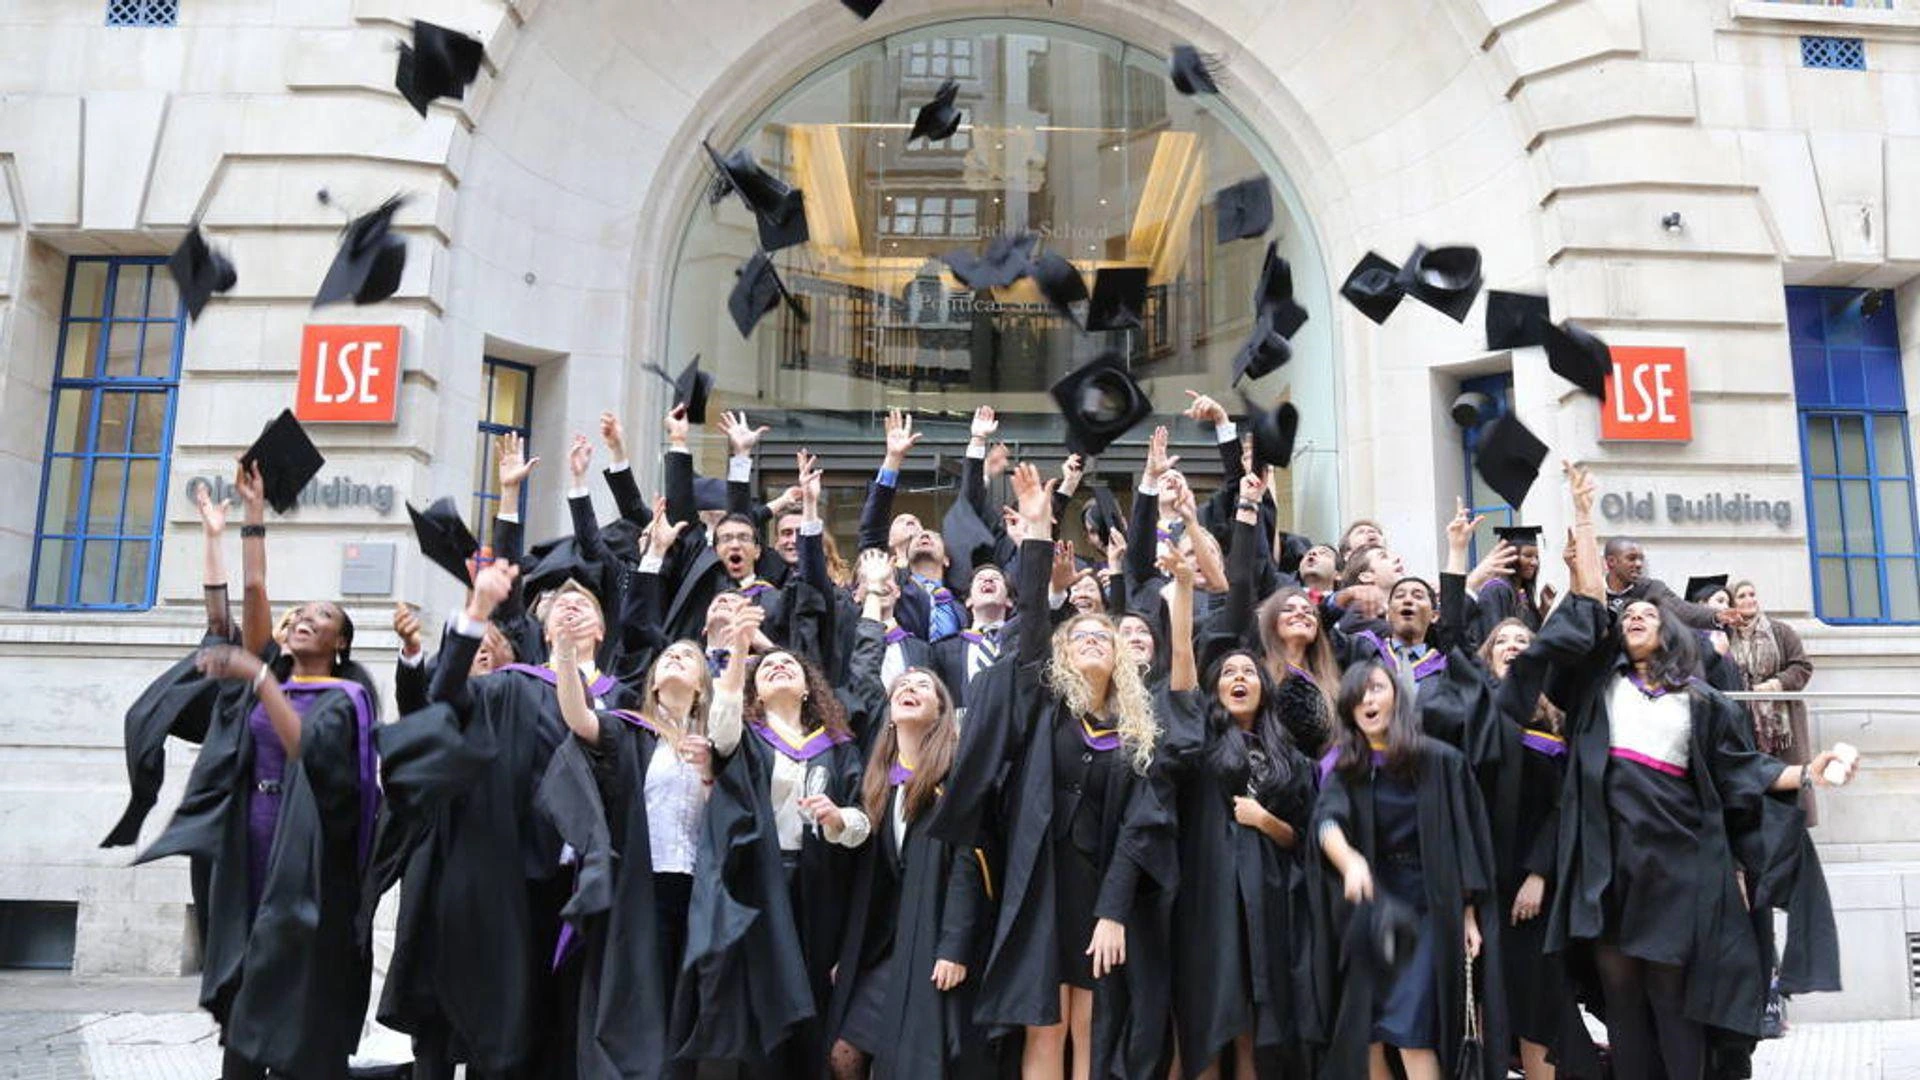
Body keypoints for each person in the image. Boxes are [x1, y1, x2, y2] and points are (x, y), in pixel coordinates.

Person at [1544, 583, 1855, 1078]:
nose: (1636, 618)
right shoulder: (1598, 691)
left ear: (1672, 633)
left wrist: (1808, 772)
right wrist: (1582, 519)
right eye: (1629, 617)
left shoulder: (1702, 701)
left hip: (1675, 870)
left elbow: (1742, 771)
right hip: (1606, 870)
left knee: (1671, 999)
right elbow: (1583, 607)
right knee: (1622, 1000)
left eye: (1648, 614)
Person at [135, 461, 382, 1080]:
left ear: (340, 644)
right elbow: (247, 601)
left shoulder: (343, 700)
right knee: (243, 976)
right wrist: (244, 519)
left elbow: (306, 752)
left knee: (296, 977)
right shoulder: (263, 670)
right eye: (299, 614)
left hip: (307, 853)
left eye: (320, 618)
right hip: (248, 837)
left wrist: (264, 678)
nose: (303, 619)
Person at [935, 463, 1175, 1080]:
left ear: (1122, 656)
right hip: (1038, 882)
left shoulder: (1137, 732)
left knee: (1092, 1025)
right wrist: (1037, 533)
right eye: (1082, 636)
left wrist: (1115, 909)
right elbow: (1037, 631)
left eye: (1104, 635)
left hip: (1098, 891)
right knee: (1045, 1023)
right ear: (1065, 654)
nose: (1092, 639)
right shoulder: (1046, 708)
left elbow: (1139, 827)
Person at [539, 610, 746, 1077]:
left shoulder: (712, 742)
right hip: (640, 884)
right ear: (652, 684)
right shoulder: (629, 730)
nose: (674, 660)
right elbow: (578, 717)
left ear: (700, 684)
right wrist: (567, 656)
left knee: (682, 1003)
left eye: (686, 658)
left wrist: (711, 772)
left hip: (695, 891)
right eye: (668, 656)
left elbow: (732, 813)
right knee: (636, 1002)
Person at [1163, 536, 1318, 1079]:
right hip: (1208, 895)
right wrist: (1184, 590)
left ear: (1264, 689)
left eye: (1248, 672)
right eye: (1227, 673)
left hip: (1269, 898)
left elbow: (1302, 835)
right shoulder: (1201, 741)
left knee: (1258, 1026)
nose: (1237, 678)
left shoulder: (1290, 757)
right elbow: (1182, 667)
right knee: (1207, 1023)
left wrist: (1265, 820)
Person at [1310, 658, 1506, 1080]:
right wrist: (1349, 861)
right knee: (1370, 1035)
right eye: (1359, 694)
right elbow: (1326, 822)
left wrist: (1468, 911)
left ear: (1397, 696)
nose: (1368, 699)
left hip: (1431, 906)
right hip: (1376, 909)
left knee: (1412, 1032)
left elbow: (1466, 838)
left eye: (1378, 688)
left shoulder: (1440, 761)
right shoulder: (1346, 766)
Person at [824, 665, 992, 1078]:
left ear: (940, 711)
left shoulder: (954, 780)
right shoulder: (880, 784)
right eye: (902, 686)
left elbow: (968, 869)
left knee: (919, 1061)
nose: (909, 689)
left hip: (933, 940)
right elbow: (874, 880)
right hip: (888, 943)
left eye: (923, 687)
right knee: (844, 1052)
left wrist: (954, 947)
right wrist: (853, 952)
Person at [1727, 580, 1815, 765]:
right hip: (1742, 719)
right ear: (1732, 603)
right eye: (1741, 596)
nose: (1749, 599)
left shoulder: (1780, 631)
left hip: (1782, 722)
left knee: (1789, 776)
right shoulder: (1725, 636)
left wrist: (1774, 684)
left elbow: (1802, 666)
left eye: (1752, 594)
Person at [1601, 537, 1730, 630]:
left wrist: (1716, 616)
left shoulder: (1652, 589)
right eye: (1631, 558)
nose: (1639, 564)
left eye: (1641, 559)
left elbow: (1684, 611)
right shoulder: (1591, 592)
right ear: (1611, 561)